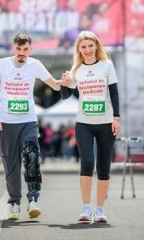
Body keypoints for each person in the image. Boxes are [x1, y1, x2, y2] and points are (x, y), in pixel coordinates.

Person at [0, 32, 62, 220]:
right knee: (11, 164)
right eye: (18, 49)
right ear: (13, 47)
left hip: (28, 120)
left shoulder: (35, 65)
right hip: (6, 121)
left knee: (32, 157)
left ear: (30, 49)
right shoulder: (0, 65)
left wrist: (69, 81)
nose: (22, 53)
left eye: (25, 49)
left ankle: (33, 200)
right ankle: (14, 203)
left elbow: (54, 85)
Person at [60, 30, 120, 223]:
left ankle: (100, 209)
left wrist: (116, 118)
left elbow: (114, 94)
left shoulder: (107, 65)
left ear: (96, 46)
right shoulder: (76, 69)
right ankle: (86, 207)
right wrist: (64, 83)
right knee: (86, 162)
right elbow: (64, 95)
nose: (87, 50)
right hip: (84, 123)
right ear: (79, 49)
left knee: (103, 167)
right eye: (83, 47)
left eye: (90, 46)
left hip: (106, 123)